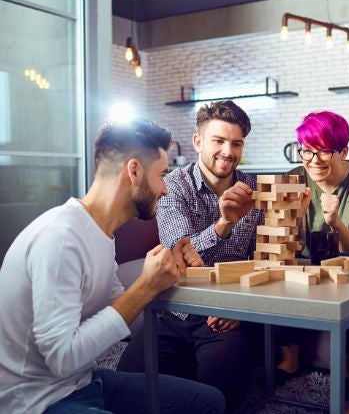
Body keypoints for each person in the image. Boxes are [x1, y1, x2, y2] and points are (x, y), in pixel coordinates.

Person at [0, 119, 225, 413]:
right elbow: (62, 358)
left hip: (83, 383)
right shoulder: (61, 238)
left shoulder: (100, 232)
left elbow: (122, 312)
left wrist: (168, 276)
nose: (165, 189)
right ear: (134, 171)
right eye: (161, 175)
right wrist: (144, 287)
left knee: (208, 402)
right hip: (37, 401)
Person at [118, 100, 263, 411]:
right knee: (129, 387)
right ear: (198, 142)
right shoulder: (171, 186)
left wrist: (239, 306)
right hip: (174, 311)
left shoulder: (256, 190)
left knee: (218, 398)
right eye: (219, 140)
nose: (228, 151)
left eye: (236, 143)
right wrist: (224, 224)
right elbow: (179, 257)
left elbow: (265, 262)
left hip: (226, 315)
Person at [276, 111, 349, 394]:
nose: (313, 161)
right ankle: (290, 360)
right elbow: (286, 244)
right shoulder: (293, 178)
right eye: (306, 152)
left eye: (323, 152)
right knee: (278, 280)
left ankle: (348, 369)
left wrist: (335, 221)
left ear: (343, 151)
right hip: (306, 262)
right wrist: (296, 215)